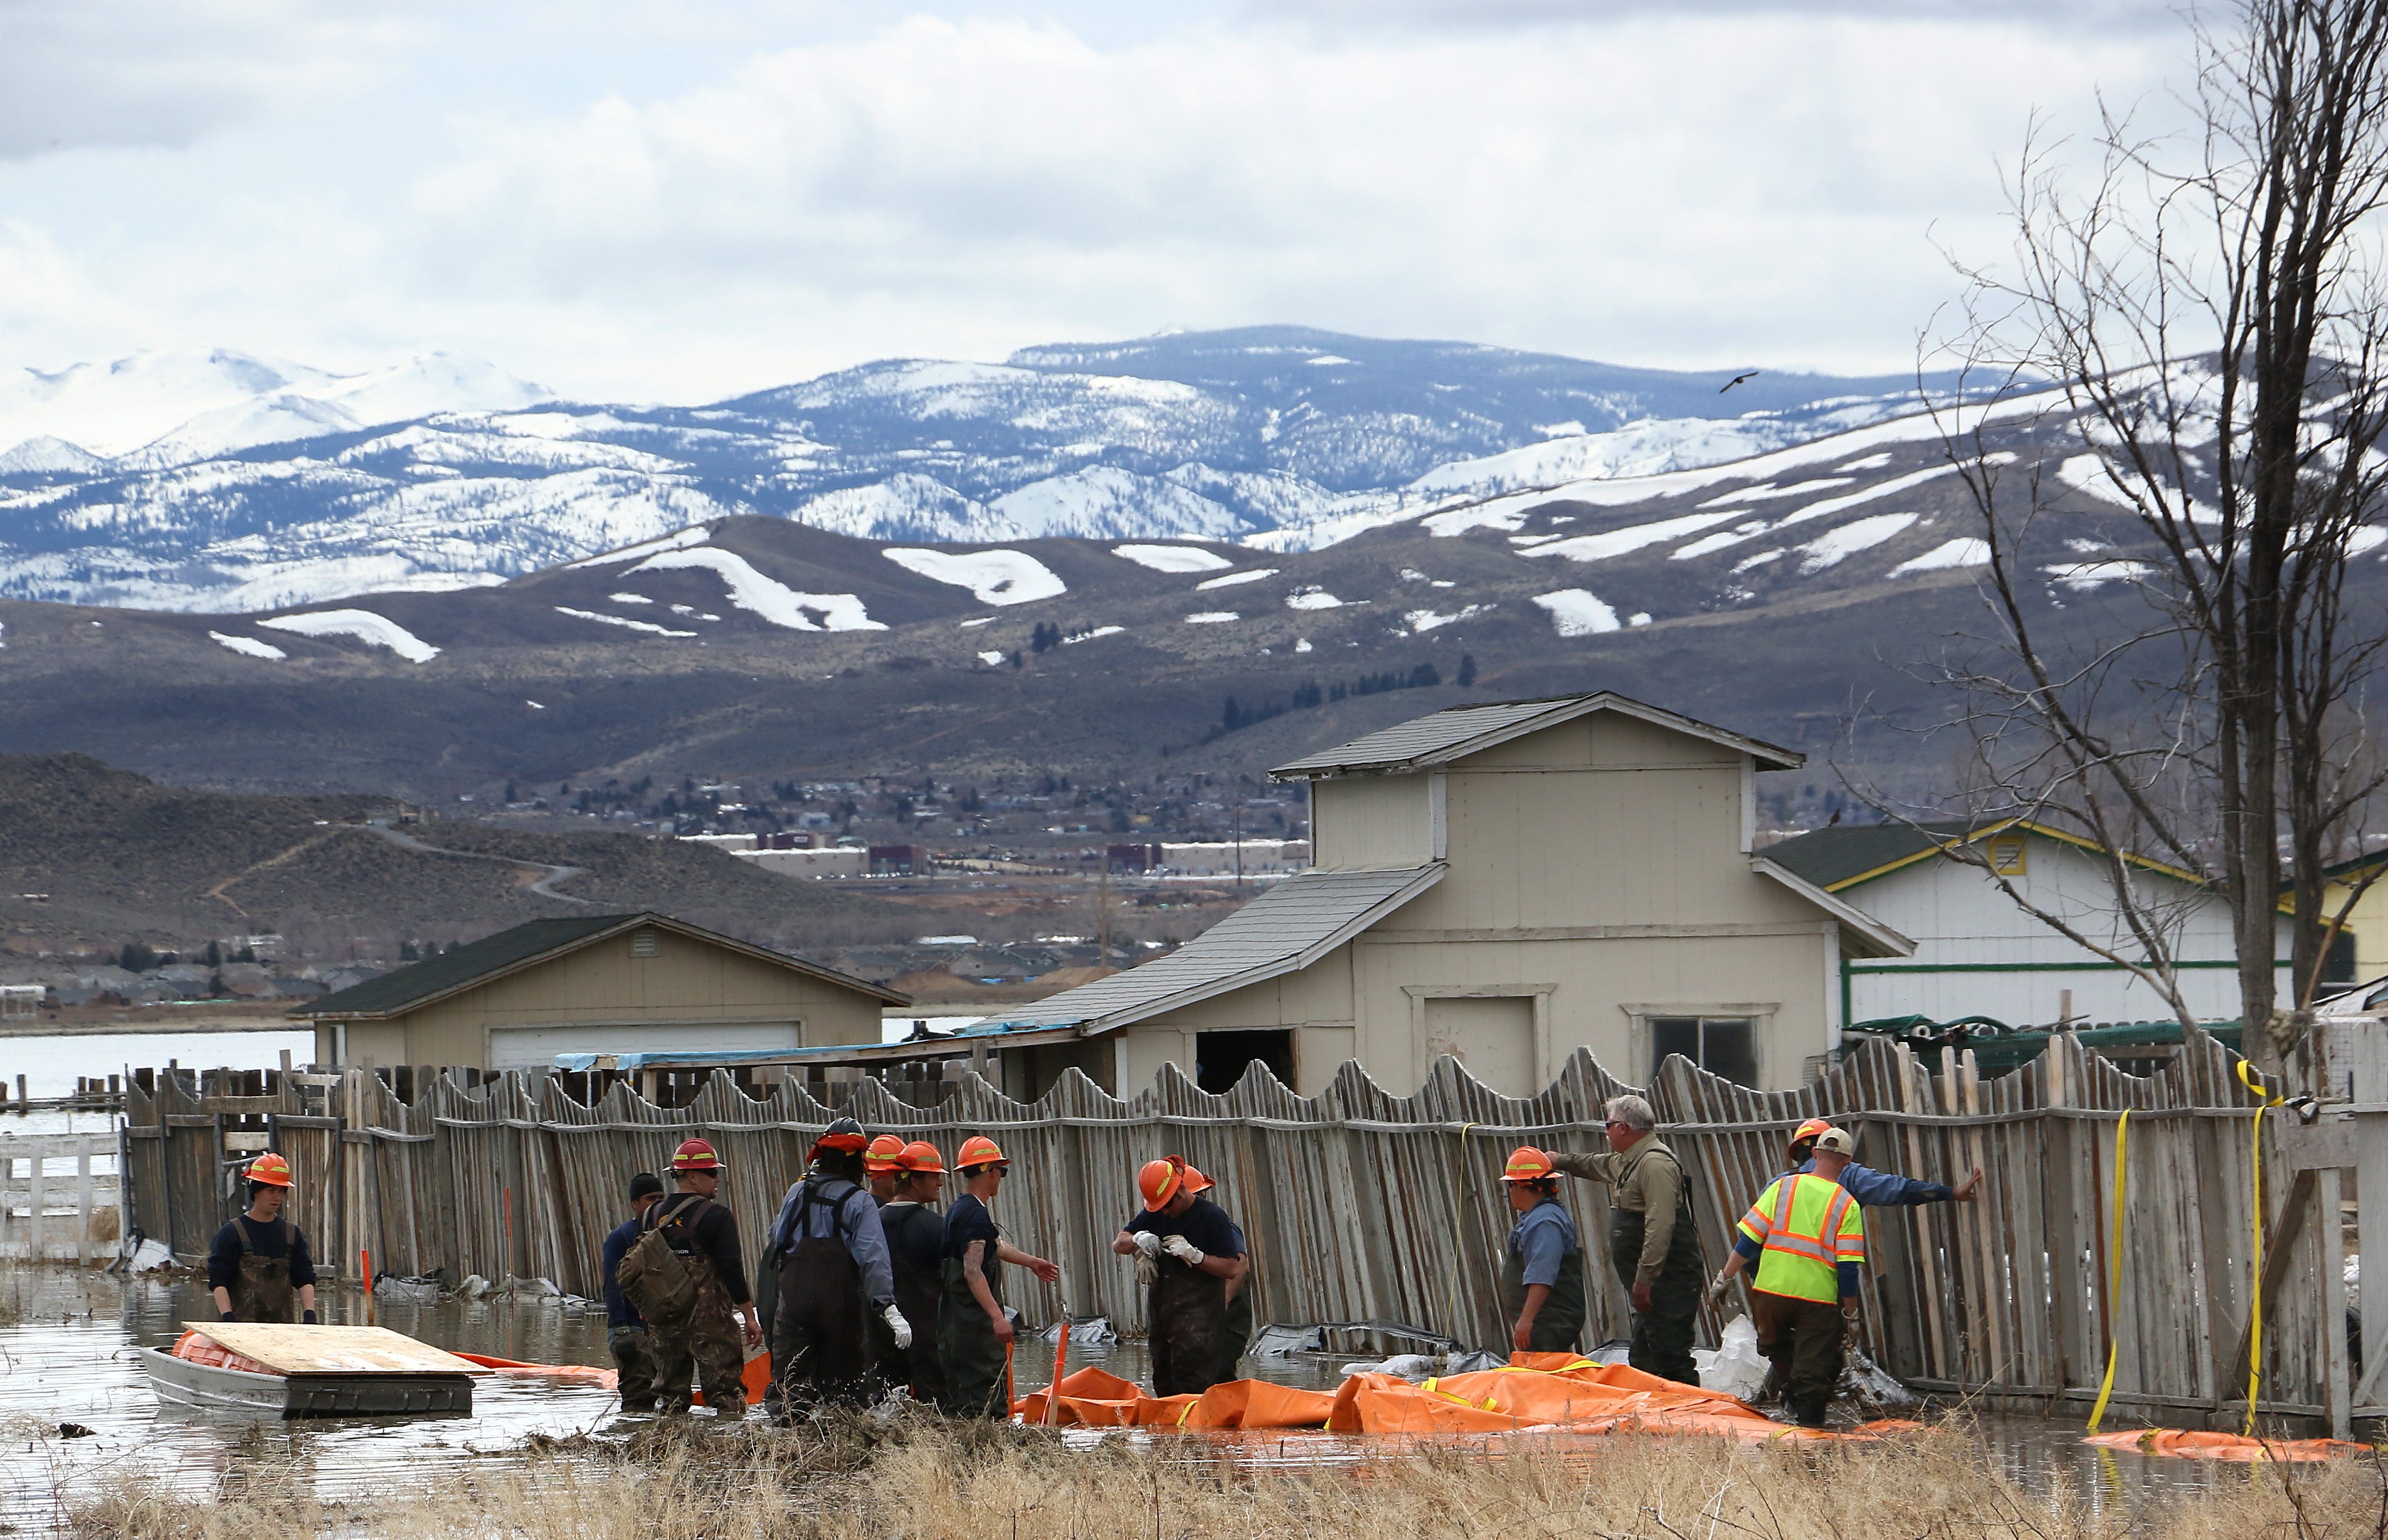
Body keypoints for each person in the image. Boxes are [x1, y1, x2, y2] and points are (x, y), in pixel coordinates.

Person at [1708, 1126, 1868, 1427]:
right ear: (1846, 1162)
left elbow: (1749, 1241)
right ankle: (1809, 1429)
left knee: (1776, 1346)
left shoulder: (1783, 1188)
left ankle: (1791, 1397)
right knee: (1814, 1374)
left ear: (1816, 1154)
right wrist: (1851, 1313)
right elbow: (1848, 1268)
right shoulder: (1847, 1204)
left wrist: (1724, 1280)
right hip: (1816, 1302)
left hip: (1770, 1294)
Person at [1547, 1094, 1705, 1384]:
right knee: (1645, 1357)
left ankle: (1691, 1418)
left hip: (1668, 1280)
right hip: (1653, 1284)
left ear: (1622, 1127)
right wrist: (1560, 1161)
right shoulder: (1632, 1161)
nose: (1605, 1133)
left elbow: (1660, 1227)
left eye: (1608, 1125)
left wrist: (1645, 1279)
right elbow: (1598, 1165)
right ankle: (1656, 1420)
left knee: (1671, 1355)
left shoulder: (1655, 1165)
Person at [764, 1117, 902, 1412]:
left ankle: (783, 1453)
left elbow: (776, 1238)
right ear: (857, 1164)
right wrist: (887, 1305)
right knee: (843, 1393)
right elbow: (873, 1258)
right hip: (840, 1307)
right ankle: (840, 1450)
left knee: (790, 1389)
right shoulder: (860, 1201)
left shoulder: (796, 1192)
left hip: (794, 1304)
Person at [938, 1135, 1060, 1417]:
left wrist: (1032, 1263)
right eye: (1000, 1171)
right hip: (975, 1332)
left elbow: (997, 1246)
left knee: (963, 1403)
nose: (1001, 1178)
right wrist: (997, 1317)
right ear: (989, 1171)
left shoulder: (961, 1209)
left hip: (955, 1328)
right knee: (984, 1405)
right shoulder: (975, 1217)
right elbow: (972, 1270)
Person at [645, 1138, 763, 1419]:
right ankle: (726, 1457)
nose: (717, 1178)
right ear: (694, 1177)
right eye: (712, 1173)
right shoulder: (718, 1216)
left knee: (670, 1398)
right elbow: (732, 1268)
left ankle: (666, 1455)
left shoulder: (652, 1215)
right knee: (726, 1396)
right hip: (710, 1324)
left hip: (665, 1321)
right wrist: (749, 1316)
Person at [1111, 1155, 1247, 1395]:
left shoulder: (1213, 1218)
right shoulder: (1156, 1213)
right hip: (1165, 1315)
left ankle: (1199, 1431)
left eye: (1168, 1205)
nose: (1164, 1213)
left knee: (1202, 1383)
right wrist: (1137, 1241)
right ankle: (1169, 1431)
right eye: (1159, 1207)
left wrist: (1197, 1256)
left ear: (1182, 1189)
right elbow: (1118, 1244)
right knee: (1164, 1379)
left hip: (1202, 1319)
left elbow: (1233, 1268)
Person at [872, 1140, 948, 1404]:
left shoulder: (872, 1224)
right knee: (937, 1404)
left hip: (879, 1328)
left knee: (885, 1404)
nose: (940, 1183)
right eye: (935, 1177)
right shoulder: (937, 1226)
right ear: (915, 1181)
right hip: (927, 1332)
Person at [208, 1152, 319, 1325]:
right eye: (271, 1190)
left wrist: (310, 1315)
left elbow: (305, 1278)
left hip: (283, 1332)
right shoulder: (232, 1233)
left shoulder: (292, 1233)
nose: (277, 1197)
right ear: (256, 1192)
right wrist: (228, 1319)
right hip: (240, 1332)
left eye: (282, 1191)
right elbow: (218, 1281)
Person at [1498, 1147, 1586, 1354]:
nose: (1509, 1191)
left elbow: (1543, 1274)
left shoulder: (1545, 1223)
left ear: (1530, 1187)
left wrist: (1527, 1319)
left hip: (1547, 1321)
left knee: (1546, 1376)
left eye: (1512, 1184)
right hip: (1543, 1322)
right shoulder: (1536, 1218)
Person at [1785, 1116, 1983, 1206]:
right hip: (1823, 1283)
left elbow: (1754, 1236)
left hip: (1775, 1284)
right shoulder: (1849, 1176)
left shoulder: (1778, 1186)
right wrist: (1951, 1193)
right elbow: (1899, 1189)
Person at [600, 1172, 666, 1411]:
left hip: (660, 1330)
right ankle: (630, 1440)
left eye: (661, 1197)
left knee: (666, 1396)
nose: (657, 1203)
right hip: (630, 1328)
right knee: (638, 1398)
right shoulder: (622, 1238)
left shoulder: (668, 1235)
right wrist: (620, 1329)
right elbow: (612, 1285)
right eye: (651, 1198)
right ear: (635, 1204)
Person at [1180, 1164, 1253, 1378]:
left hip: (1225, 1323)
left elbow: (1240, 1265)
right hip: (1192, 1324)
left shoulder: (1221, 1227)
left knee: (1217, 1372)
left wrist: (1222, 1302)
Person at [865, 1135, 907, 1203]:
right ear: (879, 1177)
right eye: (900, 1174)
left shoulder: (866, 1205)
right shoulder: (873, 1212)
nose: (905, 1178)